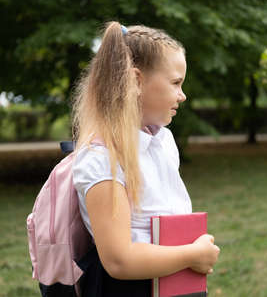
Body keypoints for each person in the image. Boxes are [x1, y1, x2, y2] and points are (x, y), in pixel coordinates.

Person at [70, 21, 220, 297]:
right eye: (176, 83)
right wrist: (192, 255)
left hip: (179, 286)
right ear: (137, 81)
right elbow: (119, 260)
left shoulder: (163, 141)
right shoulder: (102, 158)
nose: (183, 95)